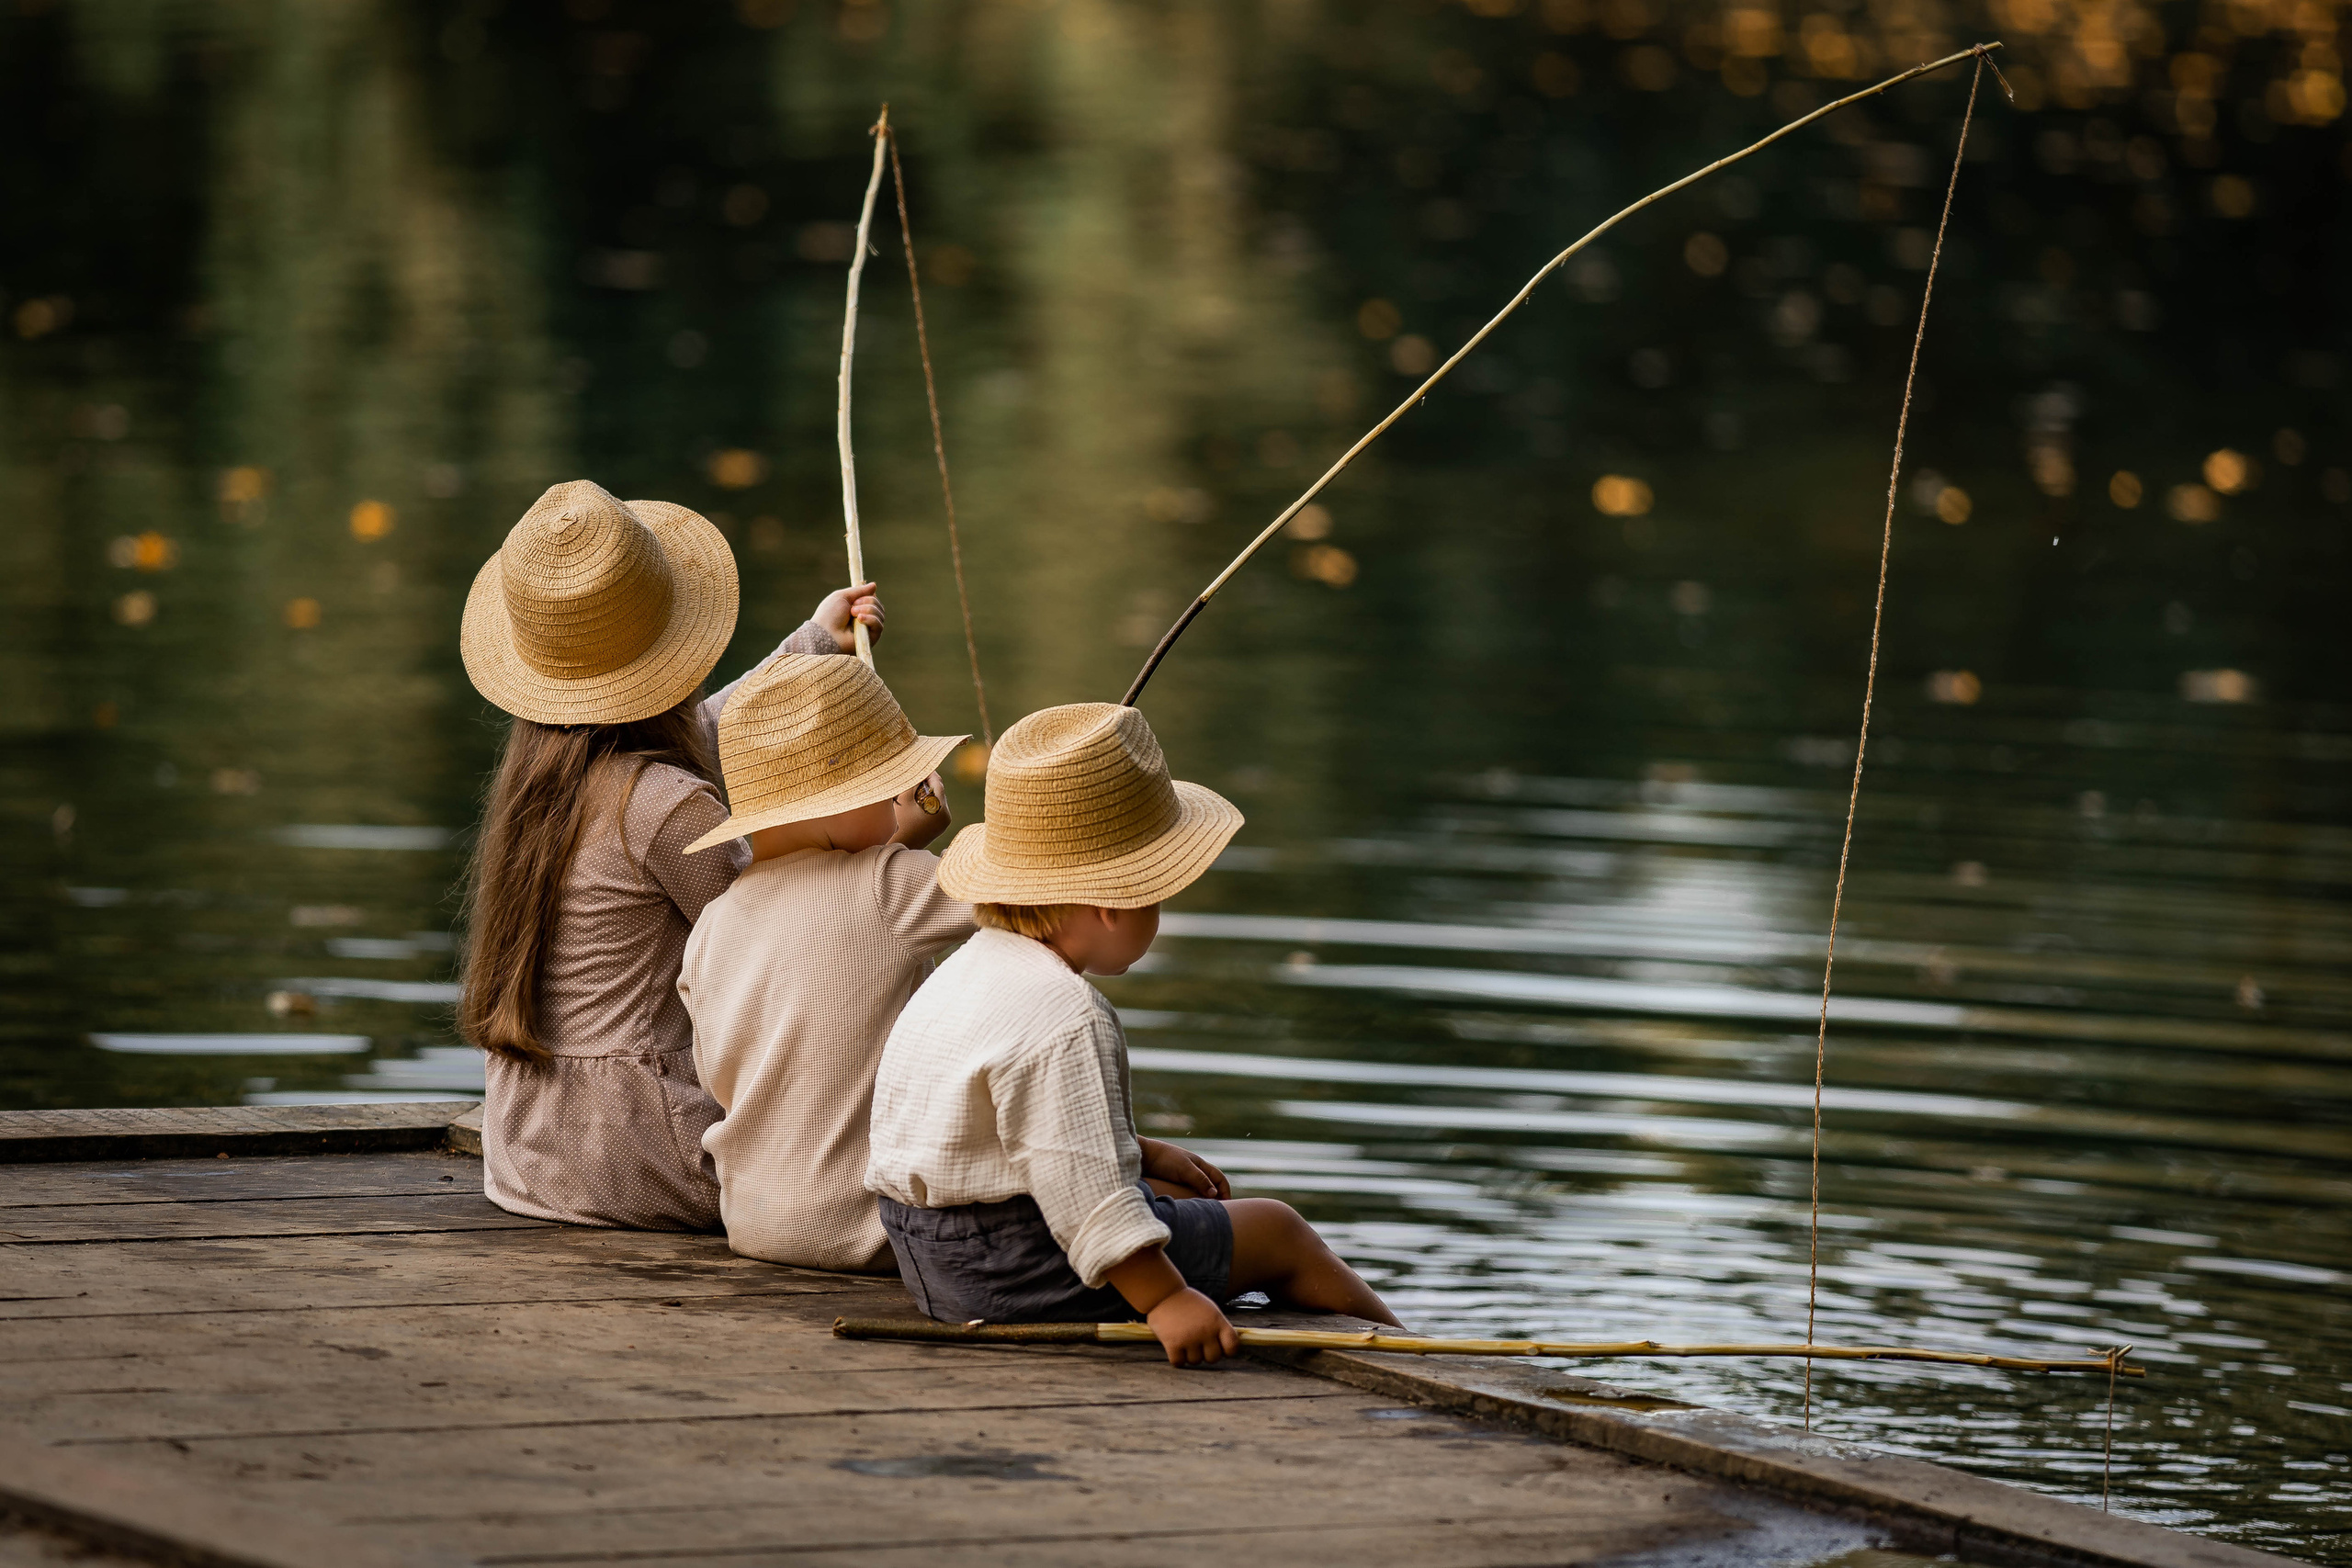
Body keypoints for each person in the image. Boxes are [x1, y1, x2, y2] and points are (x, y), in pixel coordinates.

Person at [865, 702, 1402, 1365]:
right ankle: (1413, 1352)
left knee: (1180, 1197)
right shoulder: (1069, 1014)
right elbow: (1090, 1199)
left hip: (928, 1261)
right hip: (1015, 1275)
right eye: (1157, 893)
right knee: (1279, 1230)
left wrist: (1138, 1151)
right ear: (1111, 905)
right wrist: (1165, 1299)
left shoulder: (962, 974)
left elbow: (986, 1132)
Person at [456, 479, 880, 1231]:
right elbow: (784, 934)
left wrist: (812, 643)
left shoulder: (547, 778)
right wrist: (887, 828)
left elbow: (710, 726)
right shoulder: (664, 803)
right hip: (636, 1157)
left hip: (528, 1152)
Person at [675, 653, 973, 1270]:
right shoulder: (893, 883)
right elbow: (1020, 890)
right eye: (886, 784)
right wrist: (916, 846)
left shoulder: (711, 926)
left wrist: (896, 846)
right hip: (875, 1234)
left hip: (755, 1225)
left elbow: (721, 1074)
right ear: (832, 799)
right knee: (1171, 1203)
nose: (899, 801)